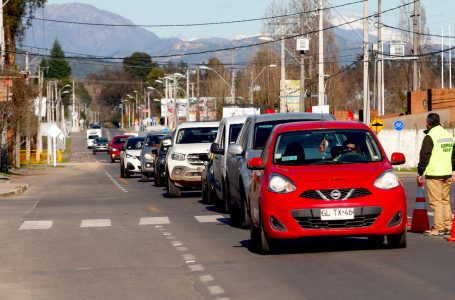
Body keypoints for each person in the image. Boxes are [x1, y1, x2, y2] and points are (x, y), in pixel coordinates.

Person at [417, 113, 455, 236]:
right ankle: (448, 225)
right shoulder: (448, 135)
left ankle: (438, 228)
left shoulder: (430, 136)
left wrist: (420, 171)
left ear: (428, 123)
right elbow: (453, 156)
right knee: (445, 200)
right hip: (447, 172)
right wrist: (453, 170)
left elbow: (424, 155)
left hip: (434, 173)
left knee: (436, 202)